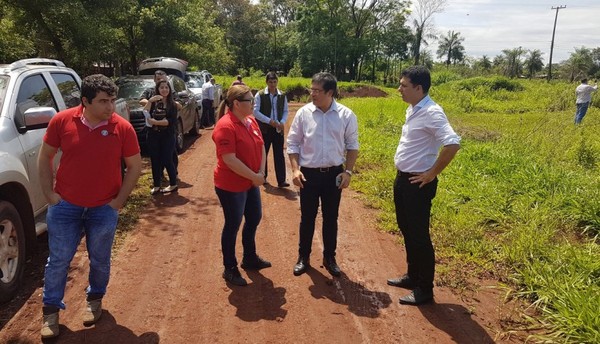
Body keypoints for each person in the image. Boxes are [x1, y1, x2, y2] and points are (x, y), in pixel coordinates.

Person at [37, 74, 142, 339]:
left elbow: (134, 167)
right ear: (85, 101)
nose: (110, 107)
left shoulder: (122, 127)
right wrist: (49, 194)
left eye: (112, 100)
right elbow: (45, 156)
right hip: (65, 206)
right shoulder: (62, 121)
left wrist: (118, 202)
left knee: (100, 260)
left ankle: (94, 300)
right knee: (59, 260)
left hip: (103, 209)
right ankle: (50, 313)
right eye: (103, 101)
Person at [386, 65, 460, 306]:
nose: (399, 89)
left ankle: (424, 289)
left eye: (404, 85)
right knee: (406, 229)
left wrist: (431, 173)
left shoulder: (432, 112)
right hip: (404, 179)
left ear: (419, 88)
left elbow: (452, 144)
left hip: (418, 183)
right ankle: (412, 276)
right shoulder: (413, 109)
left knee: (419, 236)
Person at [286, 72, 359, 277]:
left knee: (330, 218)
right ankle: (303, 257)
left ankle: (330, 257)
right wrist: (295, 169)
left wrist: (348, 172)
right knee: (307, 217)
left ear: (330, 92)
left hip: (334, 175)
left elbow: (352, 146)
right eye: (312, 89)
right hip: (308, 175)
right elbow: (292, 143)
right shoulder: (303, 113)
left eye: (317, 91)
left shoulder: (346, 115)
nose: (312, 94)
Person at [212, 84, 271, 287]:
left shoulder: (250, 120)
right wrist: (254, 176)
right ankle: (229, 268)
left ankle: (250, 257)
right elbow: (229, 159)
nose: (254, 104)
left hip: (250, 180)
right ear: (236, 104)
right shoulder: (225, 126)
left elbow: (261, 145)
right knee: (233, 224)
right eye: (250, 101)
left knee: (254, 217)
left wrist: (261, 173)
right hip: (231, 185)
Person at [144, 80, 182, 194]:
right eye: (162, 88)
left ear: (169, 90)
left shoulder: (173, 104)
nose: (164, 90)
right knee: (155, 160)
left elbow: (170, 121)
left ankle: (173, 184)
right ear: (157, 89)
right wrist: (150, 101)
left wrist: (154, 122)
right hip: (153, 135)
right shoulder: (154, 102)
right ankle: (156, 185)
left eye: (166, 87)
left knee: (167, 159)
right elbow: (145, 111)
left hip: (168, 135)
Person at [253, 71, 290, 187]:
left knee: (279, 154)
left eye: (274, 82)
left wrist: (282, 122)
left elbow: (285, 111)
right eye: (270, 82)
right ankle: (263, 177)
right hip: (264, 129)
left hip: (278, 129)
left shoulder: (282, 95)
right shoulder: (260, 95)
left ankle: (281, 180)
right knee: (264, 153)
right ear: (266, 82)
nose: (273, 84)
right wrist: (269, 121)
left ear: (277, 82)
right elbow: (255, 112)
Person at [140, 69, 179, 175]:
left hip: (168, 128)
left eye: (163, 79)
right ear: (154, 80)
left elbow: (178, 104)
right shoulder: (150, 91)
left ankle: (173, 174)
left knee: (171, 153)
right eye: (158, 79)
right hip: (153, 129)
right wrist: (151, 101)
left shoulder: (170, 91)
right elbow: (141, 100)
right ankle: (159, 175)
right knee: (155, 155)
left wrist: (168, 102)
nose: (160, 81)